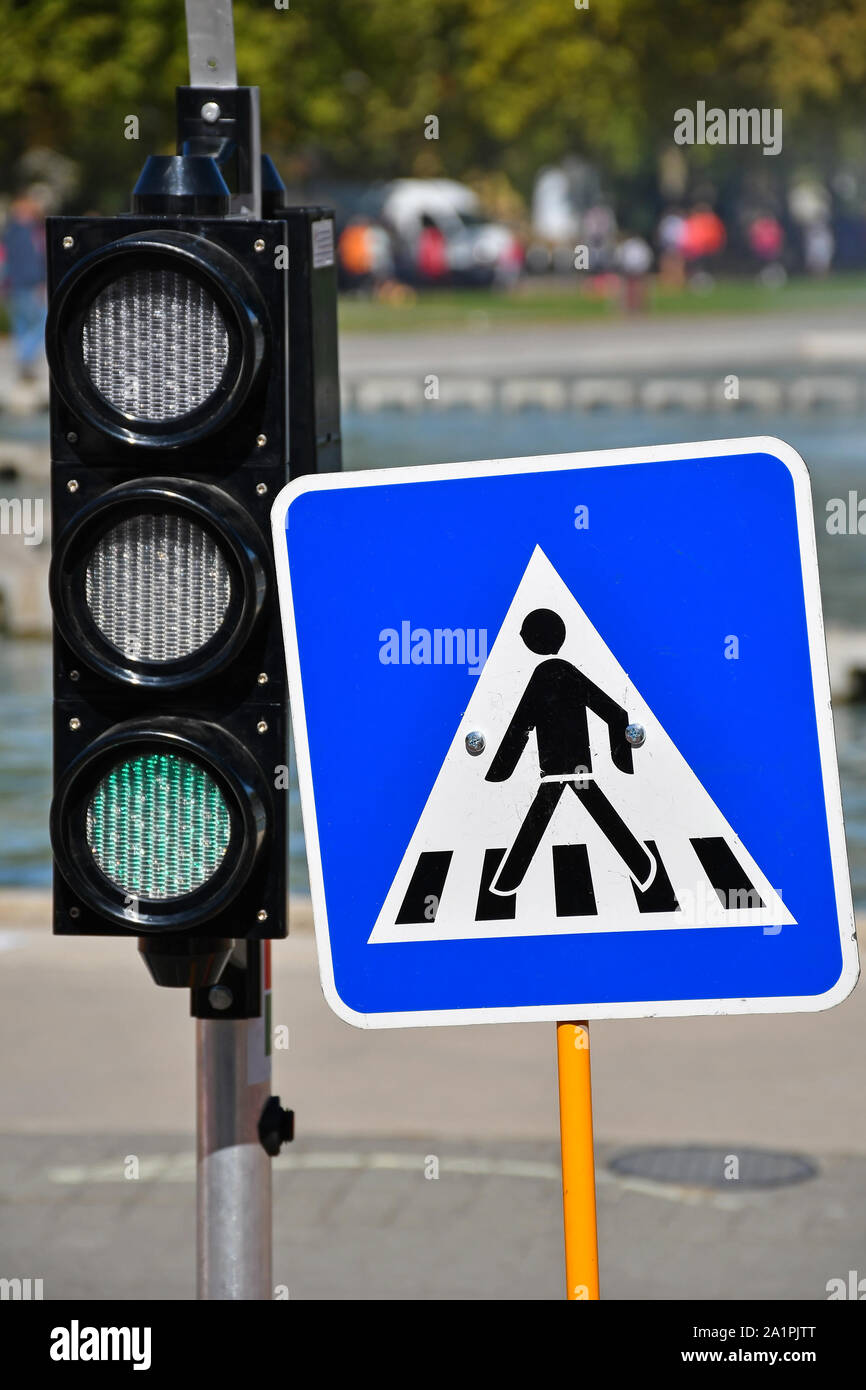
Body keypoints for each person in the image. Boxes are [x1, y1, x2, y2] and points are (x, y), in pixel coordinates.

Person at [485, 608, 655, 895]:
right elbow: (612, 711)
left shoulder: (545, 673)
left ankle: (507, 882)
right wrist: (621, 757)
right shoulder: (566, 671)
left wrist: (502, 768)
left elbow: (521, 724)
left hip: (554, 766)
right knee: (589, 811)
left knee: (545, 817)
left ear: (532, 641)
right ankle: (642, 867)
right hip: (578, 764)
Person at [1, 186, 48, 382]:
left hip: (13, 286)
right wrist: (41, 282)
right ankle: (26, 357)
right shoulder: (31, 233)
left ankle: (24, 361)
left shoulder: (9, 232)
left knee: (22, 326)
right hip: (27, 285)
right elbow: (37, 259)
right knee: (42, 322)